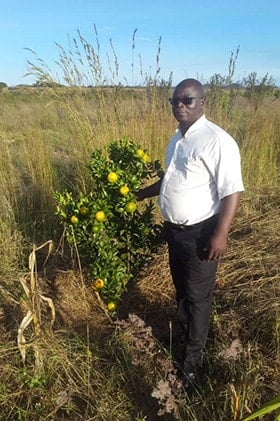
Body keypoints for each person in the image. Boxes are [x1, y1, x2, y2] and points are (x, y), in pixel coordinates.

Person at [137, 78, 244, 391]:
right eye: (175, 101)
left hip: (201, 234)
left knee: (198, 299)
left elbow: (232, 190)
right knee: (182, 290)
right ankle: (182, 339)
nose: (180, 106)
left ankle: (192, 368)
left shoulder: (217, 141)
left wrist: (221, 234)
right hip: (176, 233)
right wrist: (142, 193)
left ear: (203, 102)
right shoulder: (178, 138)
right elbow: (171, 180)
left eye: (187, 100)